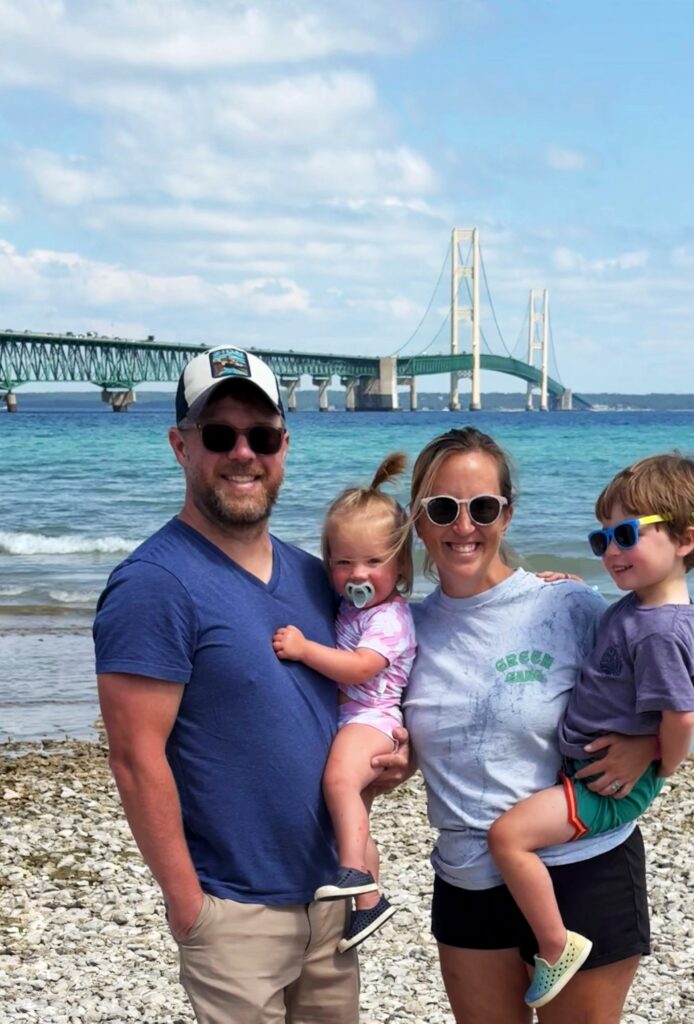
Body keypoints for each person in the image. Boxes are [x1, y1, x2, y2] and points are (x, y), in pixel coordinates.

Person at [94, 346, 361, 1024]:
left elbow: (353, 698)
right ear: (181, 445)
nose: (243, 452)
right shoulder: (154, 585)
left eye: (261, 436)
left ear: (284, 447)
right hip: (233, 911)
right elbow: (133, 757)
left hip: (330, 899)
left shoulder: (312, 577)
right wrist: (191, 908)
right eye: (219, 435)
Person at [383, 426, 665, 1024]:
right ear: (418, 518)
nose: (463, 527)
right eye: (442, 509)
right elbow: (389, 736)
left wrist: (648, 744)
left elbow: (668, 678)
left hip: (582, 872)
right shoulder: (402, 630)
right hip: (466, 879)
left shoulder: (568, 608)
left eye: (482, 507)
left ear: (506, 515)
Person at [488, 452, 694, 1008]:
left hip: (606, 787)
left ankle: (556, 944)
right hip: (590, 772)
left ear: (685, 539)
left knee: (508, 838)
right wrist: (570, 587)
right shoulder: (639, 608)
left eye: (624, 534)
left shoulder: (660, 631)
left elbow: (682, 715)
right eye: (601, 541)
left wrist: (659, 760)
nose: (612, 551)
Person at [272, 453, 416, 953]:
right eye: (342, 562)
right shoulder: (354, 609)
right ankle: (368, 904)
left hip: (372, 717)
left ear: (400, 566)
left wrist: (305, 650)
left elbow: (360, 669)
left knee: (339, 782)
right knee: (353, 806)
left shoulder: (390, 619)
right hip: (353, 716)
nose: (358, 573)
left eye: (374, 562)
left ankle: (354, 873)